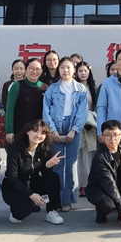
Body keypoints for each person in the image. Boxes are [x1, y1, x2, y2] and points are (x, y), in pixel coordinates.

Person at [43, 57, 88, 211]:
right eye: (62, 67)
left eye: (68, 67)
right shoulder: (52, 89)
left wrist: (74, 130)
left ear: (74, 70)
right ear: (59, 70)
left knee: (70, 165)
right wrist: (52, 130)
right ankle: (57, 200)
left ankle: (68, 199)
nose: (65, 70)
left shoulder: (80, 89)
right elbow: (46, 111)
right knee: (57, 164)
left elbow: (82, 112)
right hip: (56, 126)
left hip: (73, 127)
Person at [2, 119, 64, 225]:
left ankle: (51, 211)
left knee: (53, 177)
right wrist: (31, 195)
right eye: (35, 131)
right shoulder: (16, 150)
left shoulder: (44, 149)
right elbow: (12, 177)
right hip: (14, 187)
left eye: (43, 133)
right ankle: (15, 211)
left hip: (32, 183)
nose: (39, 135)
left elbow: (45, 174)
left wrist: (47, 165)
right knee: (20, 214)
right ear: (28, 132)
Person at [86, 120, 121, 224]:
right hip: (100, 188)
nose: (112, 138)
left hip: (119, 185)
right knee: (107, 205)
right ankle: (101, 214)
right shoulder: (100, 157)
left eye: (115, 134)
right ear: (102, 137)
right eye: (108, 135)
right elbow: (109, 184)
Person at [5, 58, 47, 145]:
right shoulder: (17, 86)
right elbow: (10, 109)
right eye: (31, 68)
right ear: (26, 69)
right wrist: (9, 130)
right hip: (20, 130)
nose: (34, 71)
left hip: (38, 133)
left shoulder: (45, 88)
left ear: (41, 71)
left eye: (37, 69)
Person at [75, 60, 98, 197]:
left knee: (89, 156)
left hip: (91, 126)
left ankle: (89, 185)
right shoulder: (73, 87)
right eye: (80, 71)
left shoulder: (94, 88)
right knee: (78, 157)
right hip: (77, 126)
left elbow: (97, 107)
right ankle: (79, 185)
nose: (83, 73)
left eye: (85, 71)